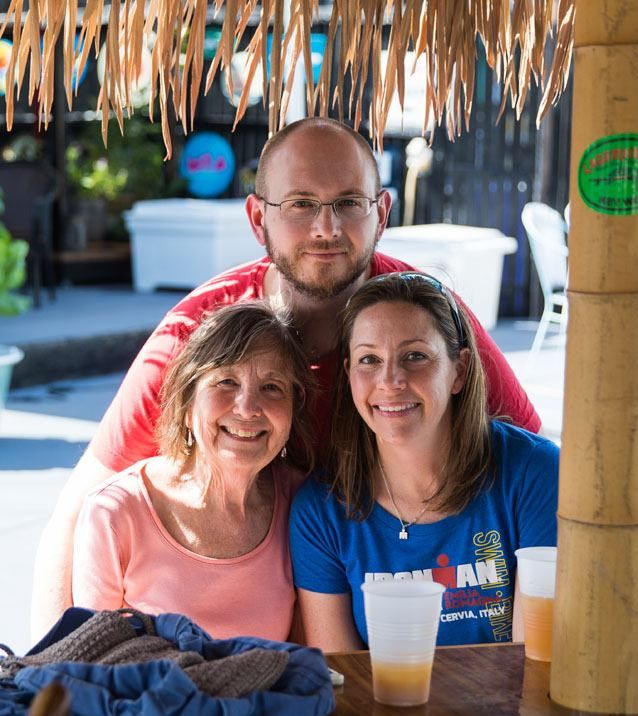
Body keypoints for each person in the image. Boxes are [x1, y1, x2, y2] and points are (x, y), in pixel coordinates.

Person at [31, 117, 540, 639]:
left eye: (348, 202)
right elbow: (76, 516)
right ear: (258, 219)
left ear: (381, 213)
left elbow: (533, 462)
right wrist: (46, 682)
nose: (327, 228)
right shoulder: (203, 334)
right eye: (300, 204)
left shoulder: (421, 321)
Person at [289, 273, 559, 651]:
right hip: (381, 710)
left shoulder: (535, 474)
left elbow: (535, 661)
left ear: (459, 371)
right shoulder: (321, 512)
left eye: (415, 356)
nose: (390, 380)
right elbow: (344, 679)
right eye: (369, 359)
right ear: (349, 375)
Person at [71, 302, 313, 640]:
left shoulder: (305, 507)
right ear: (187, 405)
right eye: (226, 381)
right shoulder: (115, 512)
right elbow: (92, 666)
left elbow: (308, 660)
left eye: (272, 387)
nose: (247, 408)